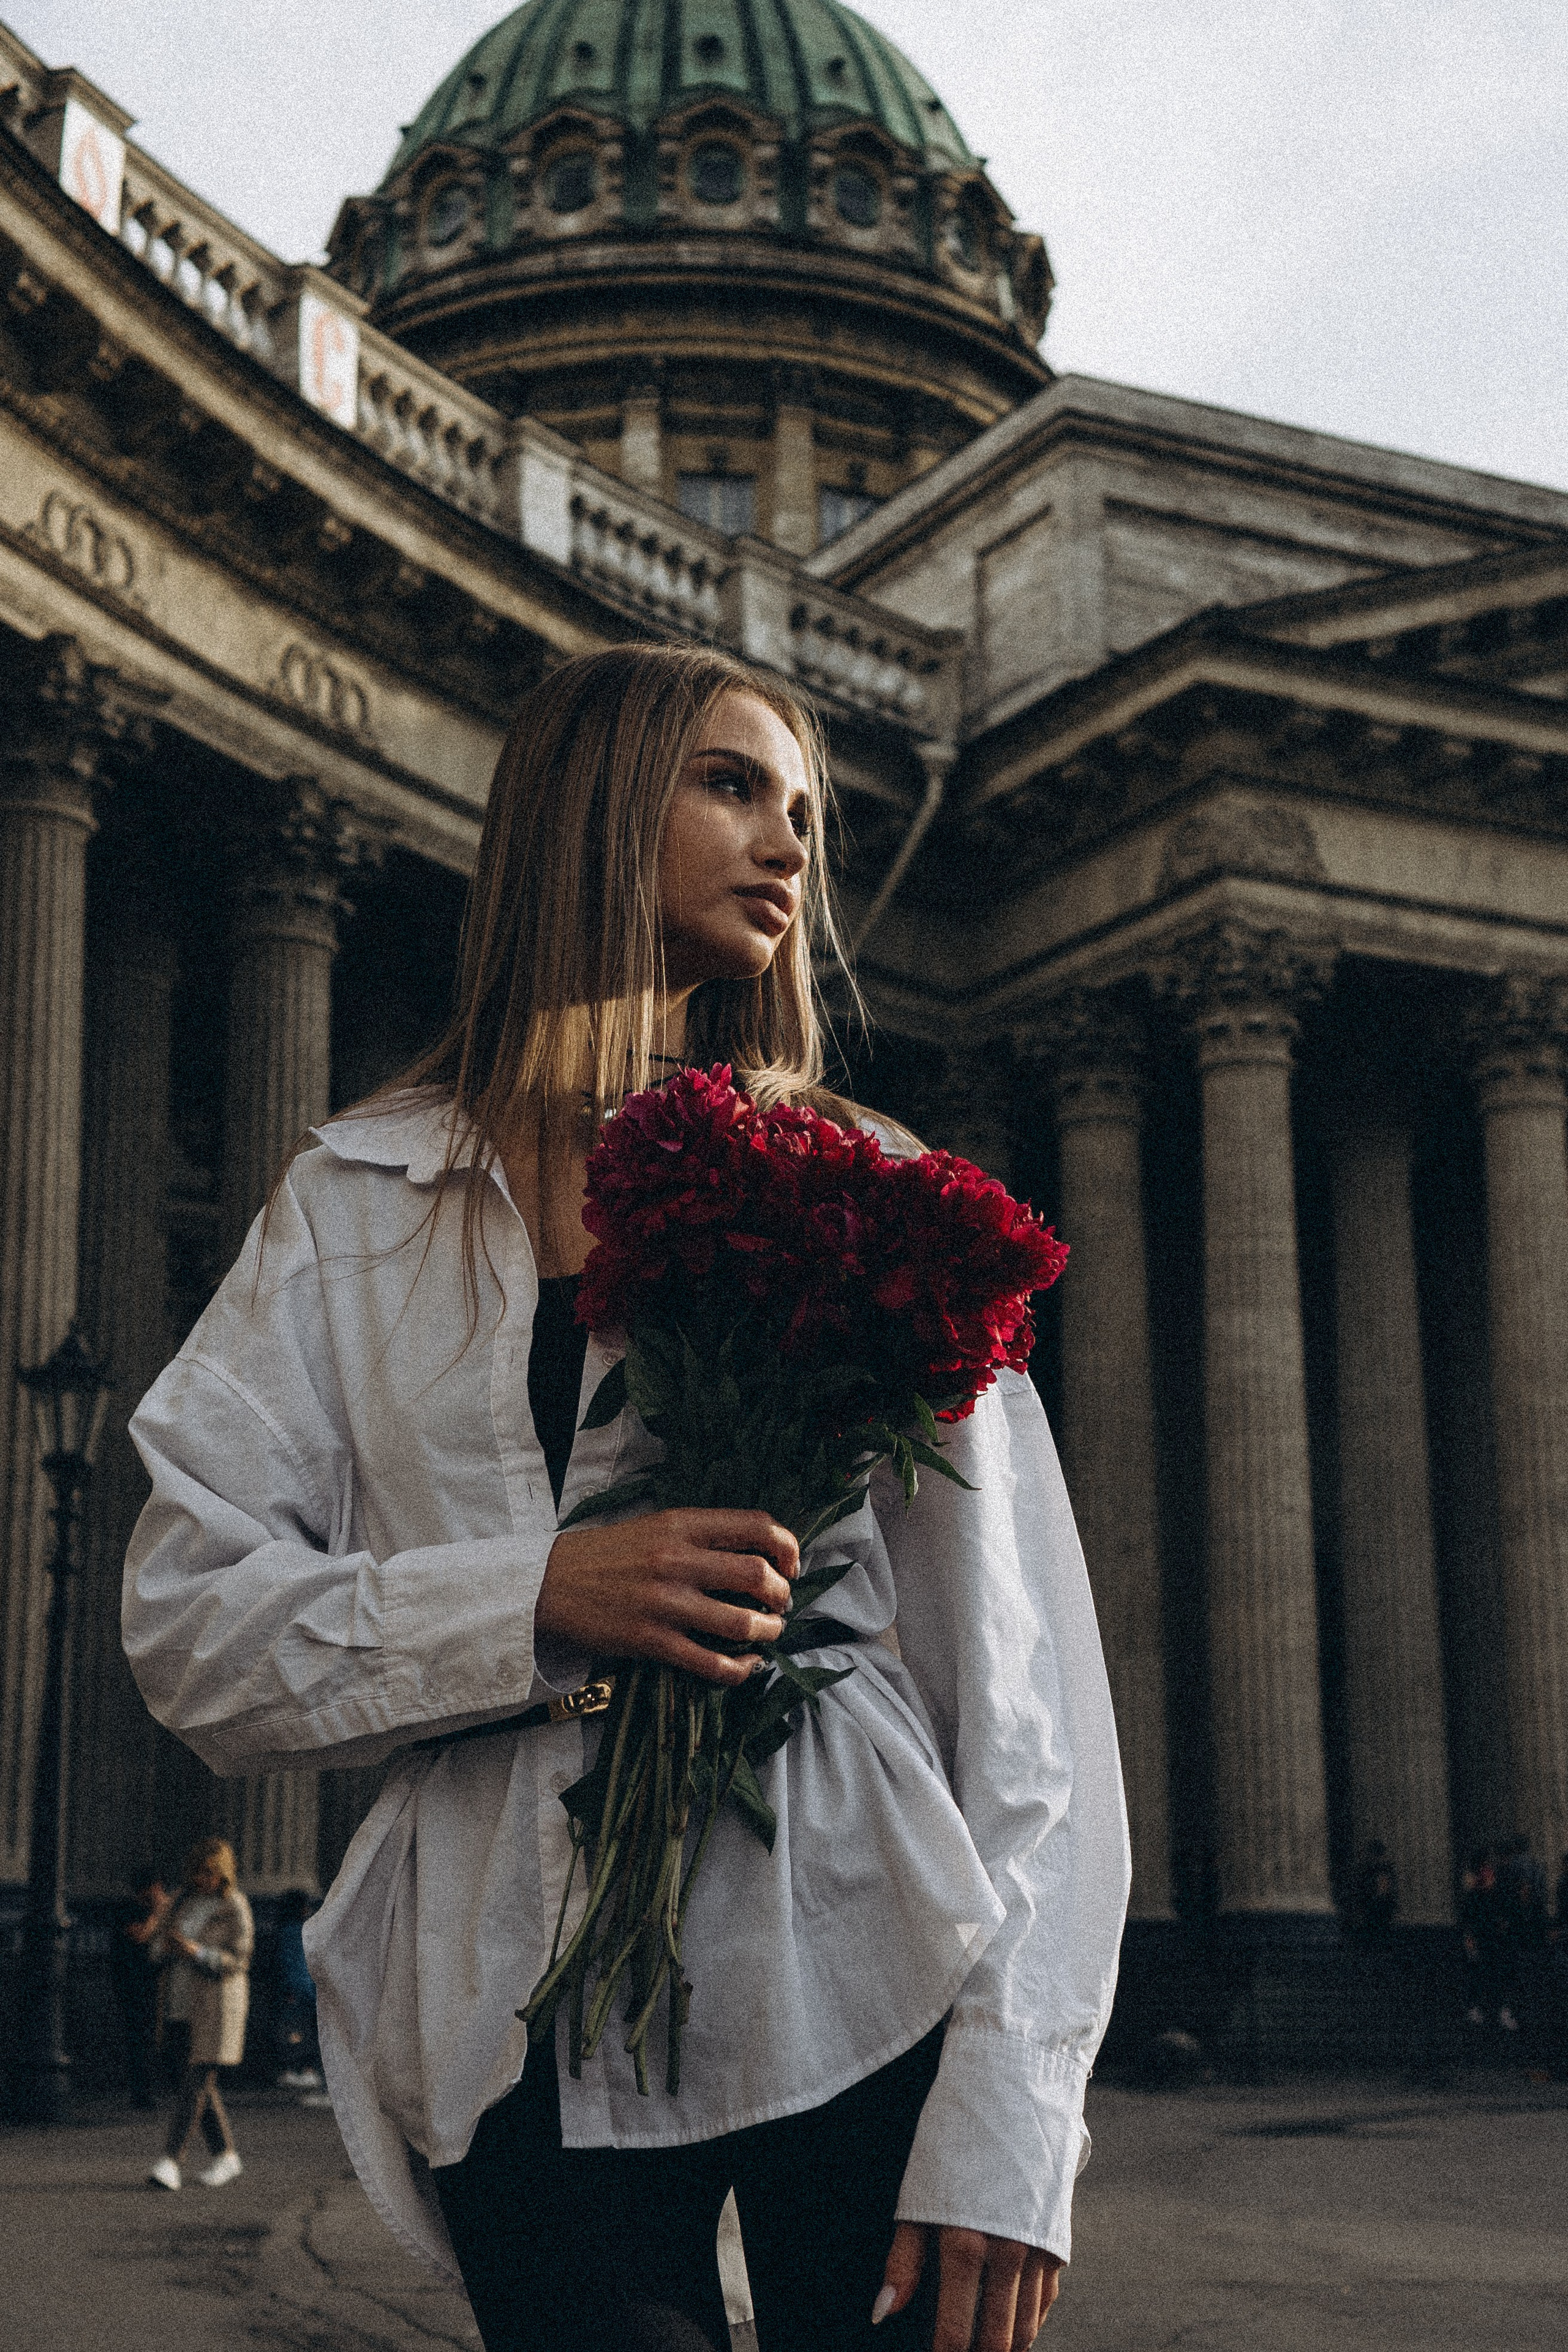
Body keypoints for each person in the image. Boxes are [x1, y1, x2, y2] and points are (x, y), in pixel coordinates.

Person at [123, 645, 1130, 2352]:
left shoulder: (876, 1188)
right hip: (516, 1985)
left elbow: (1025, 1709)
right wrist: (532, 1597)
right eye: (733, 786)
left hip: (857, 1956)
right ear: (591, 812)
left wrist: (1016, 2121)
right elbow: (187, 1623)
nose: (791, 845)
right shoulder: (352, 1203)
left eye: (805, 809)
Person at [144, 1837, 254, 2190]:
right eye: (197, 1872)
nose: (202, 1879)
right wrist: (166, 1945)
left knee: (196, 2081)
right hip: (179, 2000)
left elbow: (239, 1957)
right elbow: (156, 1946)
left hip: (217, 2004)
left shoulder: (235, 1905)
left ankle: (171, 2161)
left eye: (209, 1873)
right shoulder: (183, 1901)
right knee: (195, 2084)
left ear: (223, 1874)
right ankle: (226, 2156)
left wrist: (197, 1952)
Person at [110, 1866, 168, 2109]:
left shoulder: (147, 1910)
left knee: (148, 2037)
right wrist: (157, 1914)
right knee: (139, 2036)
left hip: (150, 1980)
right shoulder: (128, 1910)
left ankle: (147, 2089)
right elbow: (140, 1935)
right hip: (132, 1982)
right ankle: (141, 2093)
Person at [273, 1889, 322, 2092]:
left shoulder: (283, 1932)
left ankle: (291, 2069)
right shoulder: (302, 1932)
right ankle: (305, 2069)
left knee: (293, 2031)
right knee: (307, 2033)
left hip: (291, 1991)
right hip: (304, 1990)